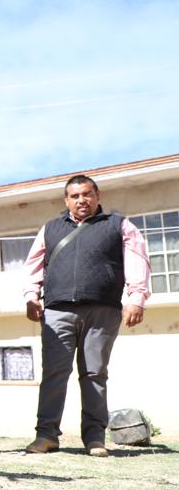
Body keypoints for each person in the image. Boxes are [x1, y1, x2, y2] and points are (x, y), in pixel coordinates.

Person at [21, 175, 150, 457]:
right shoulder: (51, 228)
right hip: (57, 310)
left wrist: (136, 299)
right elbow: (33, 265)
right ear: (66, 200)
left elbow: (137, 261)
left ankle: (94, 438)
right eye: (75, 196)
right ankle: (46, 436)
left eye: (87, 194)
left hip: (103, 310)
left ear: (97, 195)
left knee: (94, 374)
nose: (82, 200)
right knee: (54, 373)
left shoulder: (118, 225)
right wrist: (31, 296)